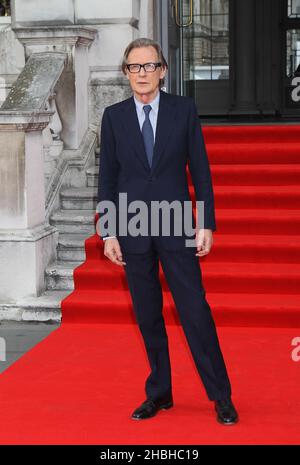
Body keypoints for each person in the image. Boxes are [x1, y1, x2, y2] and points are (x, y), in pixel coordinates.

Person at [97, 38, 238, 425]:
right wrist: (108, 231)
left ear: (162, 70)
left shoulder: (183, 110)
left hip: (176, 222)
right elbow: (107, 176)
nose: (142, 74)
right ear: (126, 74)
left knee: (194, 310)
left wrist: (205, 221)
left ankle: (221, 395)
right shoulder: (113, 116)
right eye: (134, 67)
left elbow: (201, 169)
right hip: (132, 225)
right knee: (147, 315)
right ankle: (159, 393)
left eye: (149, 66)